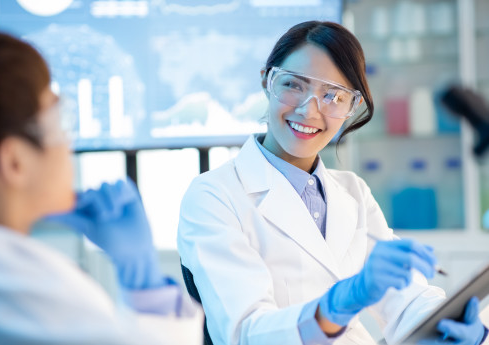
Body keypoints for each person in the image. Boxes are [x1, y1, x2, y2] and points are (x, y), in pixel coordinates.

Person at [177, 21, 488, 345]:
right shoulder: (214, 195)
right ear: (267, 82)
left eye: (333, 96)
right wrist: (341, 301)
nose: (309, 109)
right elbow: (246, 333)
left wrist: (462, 327)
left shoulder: (353, 193)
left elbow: (405, 300)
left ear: (351, 108)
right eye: (294, 85)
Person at [0, 32, 202, 345]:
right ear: (14, 162)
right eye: (56, 121)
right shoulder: (23, 291)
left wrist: (143, 282)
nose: (67, 142)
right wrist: (146, 285)